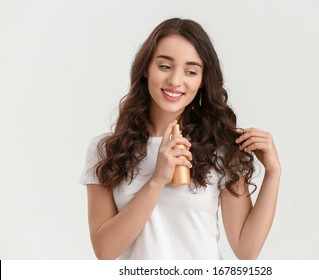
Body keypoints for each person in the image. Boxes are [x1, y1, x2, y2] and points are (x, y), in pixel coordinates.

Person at [80, 17, 281, 260]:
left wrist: (273, 173)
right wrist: (157, 180)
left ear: (202, 80)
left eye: (191, 71)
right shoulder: (106, 149)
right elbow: (105, 251)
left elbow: (246, 250)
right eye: (165, 66)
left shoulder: (221, 148)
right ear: (146, 68)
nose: (175, 81)